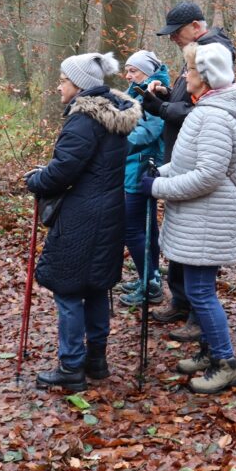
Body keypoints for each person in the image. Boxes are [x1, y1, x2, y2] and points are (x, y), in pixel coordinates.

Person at [26, 52, 141, 391]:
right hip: (109, 211)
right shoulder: (113, 117)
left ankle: (72, 367)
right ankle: (96, 361)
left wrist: (35, 180)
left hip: (83, 216)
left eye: (63, 80)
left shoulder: (83, 120)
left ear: (78, 85)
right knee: (95, 288)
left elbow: (63, 171)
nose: (59, 86)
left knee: (69, 289)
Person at [139, 42, 236, 394]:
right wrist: (161, 171)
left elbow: (208, 175)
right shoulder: (206, 109)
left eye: (189, 71)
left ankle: (226, 363)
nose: (183, 76)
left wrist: (157, 187)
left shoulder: (214, 116)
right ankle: (209, 352)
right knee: (201, 289)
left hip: (209, 217)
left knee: (201, 291)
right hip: (200, 217)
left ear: (205, 77)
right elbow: (190, 164)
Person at [139, 1, 235, 342]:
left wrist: (162, 107)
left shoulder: (212, 52)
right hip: (181, 158)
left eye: (177, 33)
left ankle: (201, 320)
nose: (174, 40)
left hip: (196, 170)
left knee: (197, 252)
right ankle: (182, 301)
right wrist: (167, 96)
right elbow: (189, 99)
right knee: (181, 243)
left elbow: (199, 109)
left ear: (196, 26)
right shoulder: (199, 51)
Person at [119, 50, 170, 306]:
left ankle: (150, 282)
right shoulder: (136, 89)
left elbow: (148, 130)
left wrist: (115, 142)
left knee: (133, 228)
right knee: (146, 226)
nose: (128, 75)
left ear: (148, 72)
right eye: (127, 70)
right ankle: (150, 277)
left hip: (141, 168)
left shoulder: (154, 91)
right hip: (134, 166)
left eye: (133, 70)